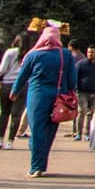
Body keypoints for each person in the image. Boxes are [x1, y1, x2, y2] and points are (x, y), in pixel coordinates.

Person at [12, 25, 75, 178]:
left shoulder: (33, 55)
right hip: (59, 97)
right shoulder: (65, 54)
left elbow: (23, 76)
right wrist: (69, 92)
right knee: (50, 130)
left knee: (37, 129)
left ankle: (36, 166)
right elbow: (73, 79)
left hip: (38, 95)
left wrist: (14, 91)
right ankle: (41, 162)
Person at [0, 34, 26, 148]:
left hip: (7, 84)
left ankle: (0, 139)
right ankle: (10, 141)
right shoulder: (30, 53)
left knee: (4, 113)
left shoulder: (10, 52)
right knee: (16, 115)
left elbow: (2, 69)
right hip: (23, 85)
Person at [73, 44, 95, 142]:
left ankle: (87, 133)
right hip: (82, 92)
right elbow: (75, 77)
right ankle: (78, 133)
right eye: (88, 52)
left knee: (90, 113)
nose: (90, 54)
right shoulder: (80, 64)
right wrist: (76, 89)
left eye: (92, 52)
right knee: (82, 111)